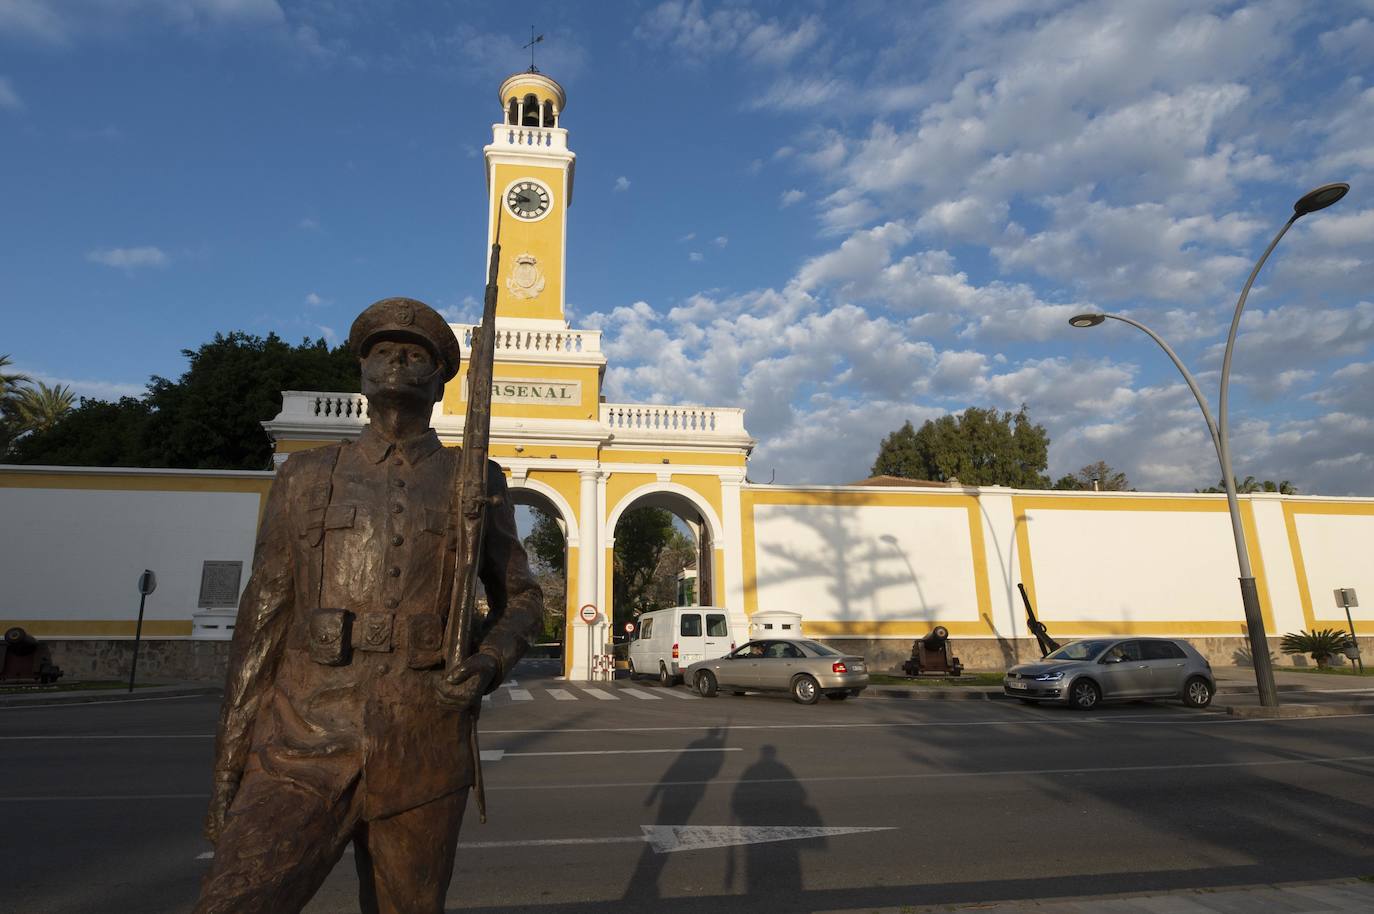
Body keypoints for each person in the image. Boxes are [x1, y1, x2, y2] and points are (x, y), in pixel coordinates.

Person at [193, 297, 544, 914]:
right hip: (300, 743)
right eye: (383, 350)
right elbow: (262, 622)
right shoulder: (305, 475)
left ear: (440, 381)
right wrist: (230, 763)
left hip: (424, 743)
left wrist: (487, 663)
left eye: (416, 354)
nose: (398, 360)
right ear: (361, 369)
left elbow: (521, 599)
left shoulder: (476, 478)